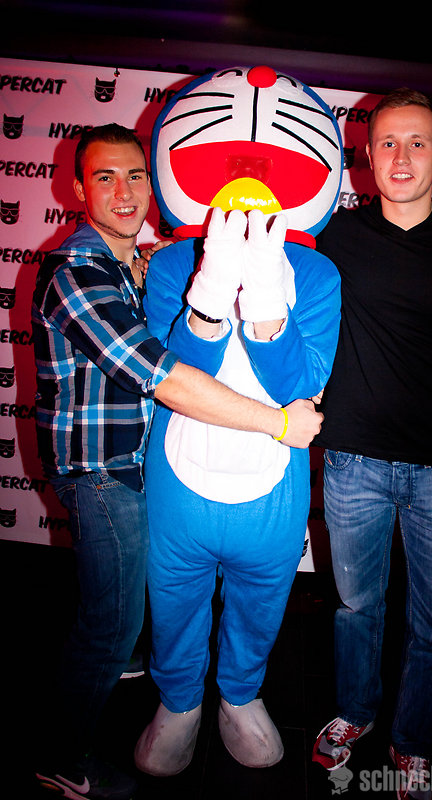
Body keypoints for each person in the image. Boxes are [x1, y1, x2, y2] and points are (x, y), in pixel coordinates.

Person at [31, 123, 323, 800]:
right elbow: (164, 376)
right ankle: (61, 758)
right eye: (104, 177)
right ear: (77, 189)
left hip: (144, 471)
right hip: (103, 475)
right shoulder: (76, 273)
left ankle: (228, 694)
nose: (124, 191)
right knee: (111, 628)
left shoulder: (141, 263)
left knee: (138, 617)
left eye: (134, 175)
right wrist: (280, 423)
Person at [311, 89, 432, 799]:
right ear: (366, 156)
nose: (401, 157)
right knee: (355, 610)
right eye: (387, 143)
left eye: (417, 142)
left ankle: (414, 742)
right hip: (352, 463)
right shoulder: (333, 236)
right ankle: (355, 713)